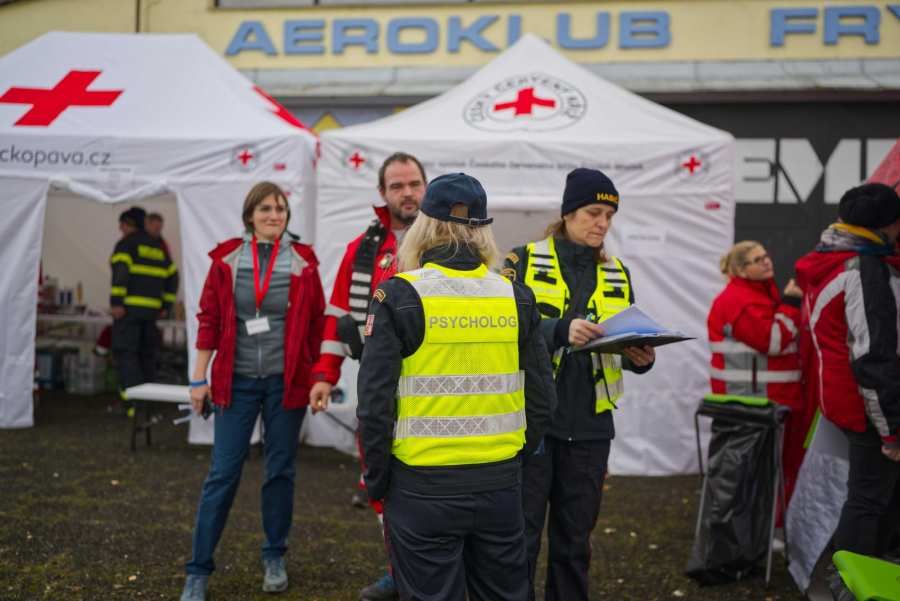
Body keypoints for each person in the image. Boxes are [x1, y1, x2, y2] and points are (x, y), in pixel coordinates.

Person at [357, 173, 556, 601]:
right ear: (484, 229)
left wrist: (377, 482)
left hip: (422, 487)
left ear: (425, 226)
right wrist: (513, 460)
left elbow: (374, 407)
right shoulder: (515, 296)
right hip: (500, 483)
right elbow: (542, 400)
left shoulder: (397, 295)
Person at [503, 168, 655, 601]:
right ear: (569, 212)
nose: (602, 223)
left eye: (609, 214)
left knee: (574, 545)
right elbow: (505, 328)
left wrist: (639, 358)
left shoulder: (618, 273)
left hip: (590, 429)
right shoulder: (523, 260)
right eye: (593, 212)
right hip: (532, 427)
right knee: (521, 539)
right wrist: (557, 330)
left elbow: (626, 336)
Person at [180, 182, 325, 601]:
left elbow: (316, 323)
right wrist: (197, 378)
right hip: (235, 383)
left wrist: (319, 375)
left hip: (286, 385)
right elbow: (208, 319)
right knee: (222, 475)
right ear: (250, 215)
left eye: (280, 208)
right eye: (265, 208)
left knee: (280, 473)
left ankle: (274, 556)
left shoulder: (303, 261)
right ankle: (198, 570)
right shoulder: (226, 258)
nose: (274, 215)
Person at [309, 152, 426, 601]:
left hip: (434, 388)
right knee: (381, 480)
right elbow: (337, 318)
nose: (407, 193)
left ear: (425, 187)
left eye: (414, 183)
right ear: (383, 193)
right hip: (378, 389)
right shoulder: (362, 250)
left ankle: (428, 574)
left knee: (432, 484)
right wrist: (324, 374)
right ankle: (399, 573)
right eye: (397, 186)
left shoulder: (446, 242)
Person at [795, 183, 900, 564]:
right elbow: (873, 357)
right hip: (867, 406)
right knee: (869, 501)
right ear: (888, 226)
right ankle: (852, 585)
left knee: (871, 498)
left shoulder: (834, 256)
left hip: (846, 399)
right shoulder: (864, 269)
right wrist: (892, 428)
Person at [708, 241, 808, 504]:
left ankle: (764, 534)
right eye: (757, 259)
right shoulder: (737, 300)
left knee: (768, 475)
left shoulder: (759, 295)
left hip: (765, 402)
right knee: (756, 478)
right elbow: (773, 341)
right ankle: (757, 539)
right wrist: (791, 302)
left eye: (766, 255)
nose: (767, 261)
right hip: (751, 405)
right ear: (741, 270)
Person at [110, 206, 178, 416]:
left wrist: (117, 302)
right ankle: (148, 403)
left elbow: (120, 274)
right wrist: (165, 306)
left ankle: (133, 405)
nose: (120, 228)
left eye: (123, 224)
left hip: (129, 310)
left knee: (127, 355)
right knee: (147, 356)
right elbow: (173, 277)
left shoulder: (127, 244)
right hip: (151, 314)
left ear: (130, 224)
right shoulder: (160, 247)